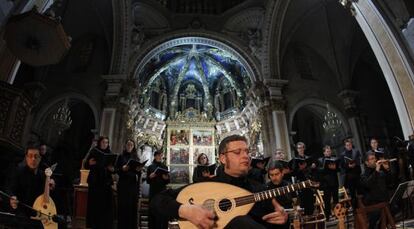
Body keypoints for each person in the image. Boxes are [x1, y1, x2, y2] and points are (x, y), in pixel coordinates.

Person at [150, 135, 288, 229]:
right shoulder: (205, 186)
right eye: (238, 152)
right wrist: (185, 210)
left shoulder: (260, 190)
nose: (246, 156)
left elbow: (270, 223)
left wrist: (282, 220)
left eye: (247, 151)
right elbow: (157, 200)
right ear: (223, 158)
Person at [5, 143, 55, 228]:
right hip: (20, 213)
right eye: (30, 156)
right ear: (26, 158)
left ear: (40, 159)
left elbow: (48, 199)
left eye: (36, 157)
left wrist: (52, 187)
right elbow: (9, 189)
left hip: (37, 213)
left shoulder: (43, 176)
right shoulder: (18, 172)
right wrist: (12, 197)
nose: (33, 159)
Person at [84, 136, 115, 229]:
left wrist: (112, 169)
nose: (105, 144)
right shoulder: (94, 151)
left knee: (106, 206)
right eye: (103, 142)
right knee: (94, 206)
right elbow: (85, 165)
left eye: (106, 142)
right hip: (95, 183)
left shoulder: (110, 153)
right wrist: (89, 163)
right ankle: (93, 225)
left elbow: (114, 169)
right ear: (99, 143)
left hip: (106, 183)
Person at [360, 151, 392, 229]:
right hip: (373, 203)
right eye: (371, 159)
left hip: (384, 200)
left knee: (395, 207)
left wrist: (387, 169)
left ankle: (380, 226)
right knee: (377, 213)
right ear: (367, 163)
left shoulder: (380, 172)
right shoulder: (363, 175)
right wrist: (376, 171)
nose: (374, 160)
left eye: (374, 158)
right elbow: (368, 185)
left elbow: (390, 183)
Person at [116, 139, 141, 229]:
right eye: (128, 144)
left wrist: (138, 171)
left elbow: (139, 174)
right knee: (123, 208)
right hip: (123, 185)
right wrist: (122, 169)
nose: (129, 146)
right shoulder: (121, 157)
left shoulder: (136, 158)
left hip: (133, 186)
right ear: (125, 145)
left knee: (132, 208)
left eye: (131, 145)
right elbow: (117, 171)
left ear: (133, 147)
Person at [146, 150, 170, 228]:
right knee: (153, 211)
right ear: (155, 156)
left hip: (162, 191)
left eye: (161, 155)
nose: (160, 157)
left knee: (162, 211)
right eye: (159, 155)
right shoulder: (150, 167)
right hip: (153, 191)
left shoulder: (165, 167)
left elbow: (167, 181)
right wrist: (150, 177)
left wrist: (166, 178)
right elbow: (147, 181)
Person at [292, 142, 315, 215]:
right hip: (301, 183)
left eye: (302, 147)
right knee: (303, 201)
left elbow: (312, 171)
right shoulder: (295, 159)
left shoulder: (308, 158)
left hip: (309, 181)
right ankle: (305, 219)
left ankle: (311, 217)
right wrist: (300, 169)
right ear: (297, 150)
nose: (300, 149)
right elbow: (293, 173)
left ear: (304, 148)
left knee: (311, 201)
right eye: (299, 148)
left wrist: (312, 167)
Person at [317, 145, 339, 220]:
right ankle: (327, 217)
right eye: (327, 151)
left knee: (336, 200)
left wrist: (335, 168)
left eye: (329, 151)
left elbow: (339, 169)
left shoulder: (334, 158)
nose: (329, 152)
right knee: (327, 201)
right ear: (324, 153)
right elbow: (319, 171)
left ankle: (337, 215)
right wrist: (326, 167)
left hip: (334, 182)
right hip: (326, 183)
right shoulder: (320, 160)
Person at [339, 138, 361, 208]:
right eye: (347, 145)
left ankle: (362, 207)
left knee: (360, 192)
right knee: (352, 194)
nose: (349, 146)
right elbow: (342, 165)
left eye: (350, 145)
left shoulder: (356, 151)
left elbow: (359, 160)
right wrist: (348, 166)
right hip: (349, 176)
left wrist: (355, 164)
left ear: (352, 145)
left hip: (357, 174)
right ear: (345, 146)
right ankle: (355, 209)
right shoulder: (342, 154)